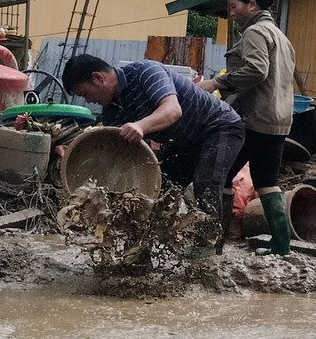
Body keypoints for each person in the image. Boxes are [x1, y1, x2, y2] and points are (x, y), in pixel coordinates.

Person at [62, 54, 245, 253]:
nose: (89, 100)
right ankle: (140, 251)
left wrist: (140, 125)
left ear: (98, 78)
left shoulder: (146, 72)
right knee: (159, 189)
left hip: (220, 126)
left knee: (206, 183)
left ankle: (209, 251)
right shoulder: (112, 111)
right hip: (184, 142)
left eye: (85, 93)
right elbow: (117, 154)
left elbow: (173, 110)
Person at [198, 0, 297, 255]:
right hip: (279, 120)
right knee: (266, 180)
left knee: (221, 175)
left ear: (251, 5)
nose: (231, 13)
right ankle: (281, 247)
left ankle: (212, 246)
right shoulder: (280, 36)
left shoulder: (255, 32)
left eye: (234, 6)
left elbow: (257, 70)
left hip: (254, 117)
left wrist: (216, 83)